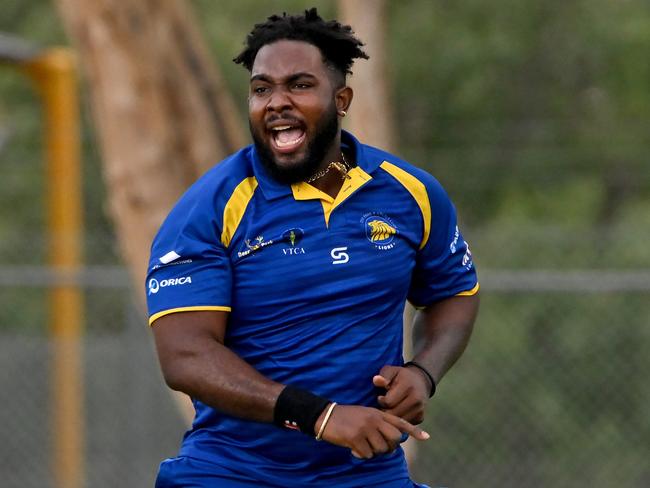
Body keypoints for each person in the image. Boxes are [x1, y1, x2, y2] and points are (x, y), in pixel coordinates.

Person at [146, 8, 479, 488]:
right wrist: (320, 417)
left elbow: (455, 293)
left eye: (299, 85)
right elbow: (186, 357)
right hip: (230, 474)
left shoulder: (411, 193)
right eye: (262, 89)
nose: (276, 102)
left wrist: (423, 373)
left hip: (368, 475)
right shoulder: (209, 209)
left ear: (341, 99)